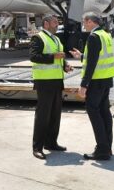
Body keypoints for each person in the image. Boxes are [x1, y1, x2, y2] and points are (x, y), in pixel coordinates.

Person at [29, 14, 78, 160]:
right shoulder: (38, 38)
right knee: (43, 115)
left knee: (55, 114)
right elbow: (34, 57)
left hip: (57, 81)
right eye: (55, 22)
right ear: (46, 24)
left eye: (58, 22)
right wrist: (53, 57)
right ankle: (37, 147)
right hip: (44, 82)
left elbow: (59, 58)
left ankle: (51, 143)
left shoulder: (56, 39)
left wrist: (65, 66)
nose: (57, 24)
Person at [72, 11, 114, 161]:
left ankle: (102, 150)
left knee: (94, 112)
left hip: (96, 81)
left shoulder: (93, 36)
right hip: (106, 80)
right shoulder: (105, 35)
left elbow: (92, 64)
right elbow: (96, 58)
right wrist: (82, 56)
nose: (84, 25)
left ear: (91, 22)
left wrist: (84, 85)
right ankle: (107, 147)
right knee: (104, 112)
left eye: (85, 22)